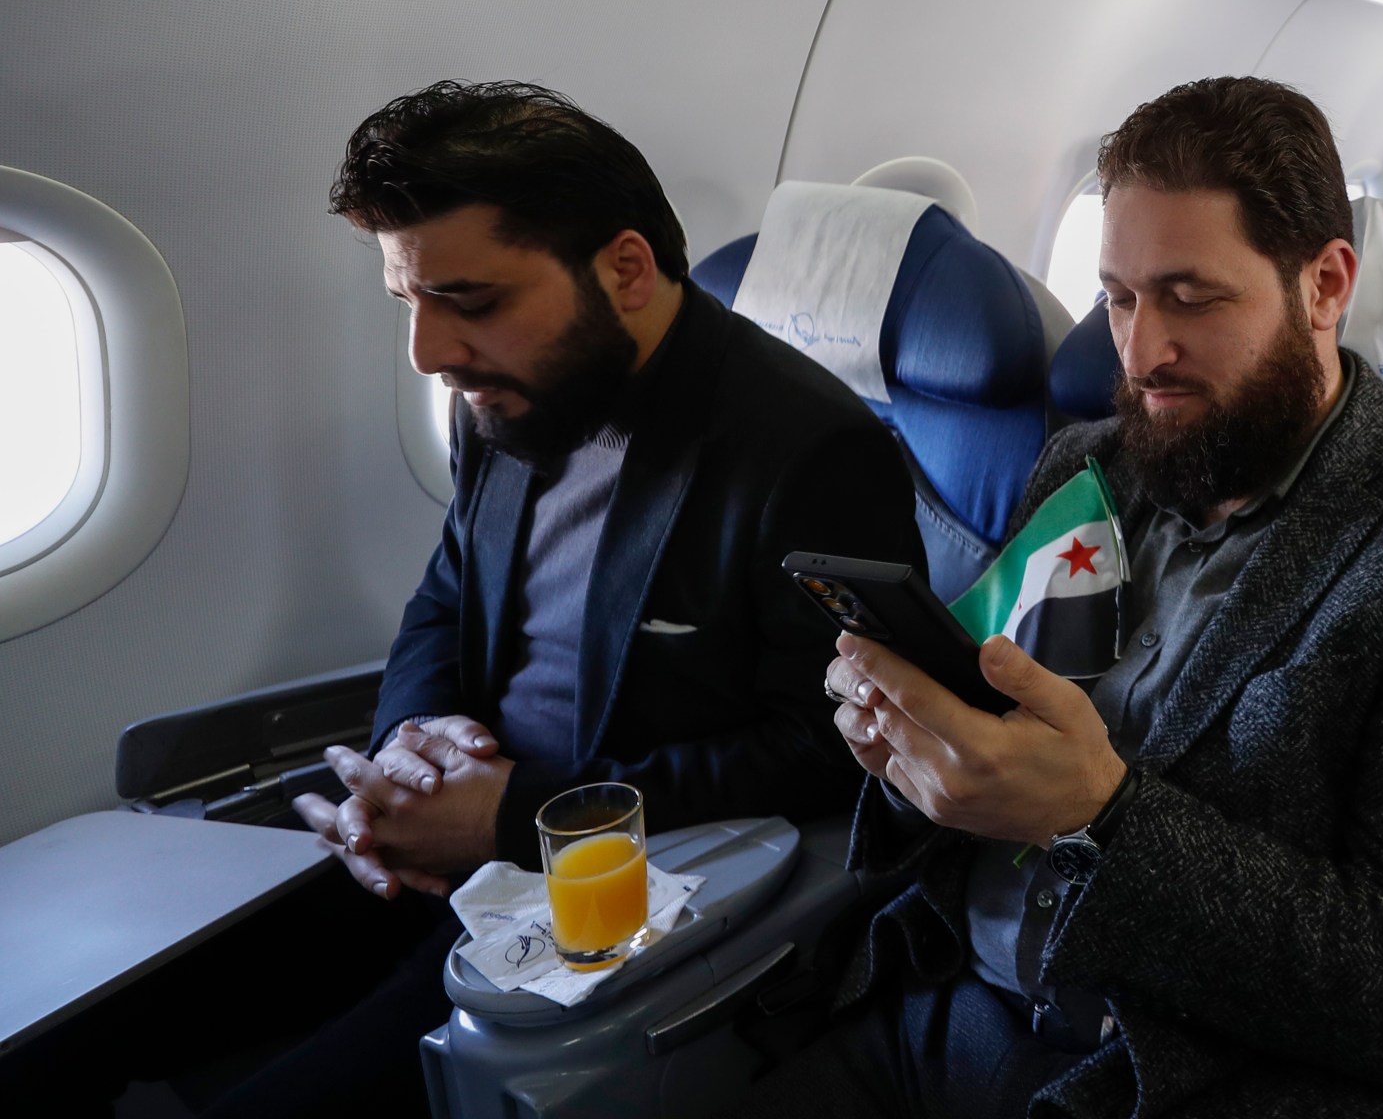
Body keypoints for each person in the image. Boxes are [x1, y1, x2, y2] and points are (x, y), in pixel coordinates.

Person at [6, 81, 930, 1119]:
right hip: (443, 845)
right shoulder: (508, 397)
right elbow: (448, 593)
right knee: (56, 1041)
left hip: (615, 890)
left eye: (473, 302)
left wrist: (514, 818)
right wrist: (413, 734)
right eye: (412, 303)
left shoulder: (807, 450)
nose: (432, 355)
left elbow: (829, 748)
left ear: (625, 269)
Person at [743, 77, 1383, 1119]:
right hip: (934, 995)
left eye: (1190, 297)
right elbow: (993, 730)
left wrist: (1100, 818)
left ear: (1324, 284)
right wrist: (910, 750)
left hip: (1159, 1075)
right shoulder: (1082, 465)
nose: (1139, 353)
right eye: (1118, 297)